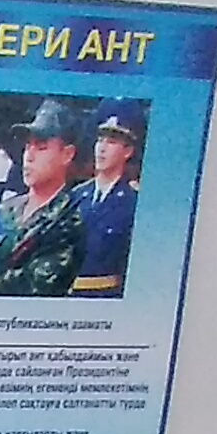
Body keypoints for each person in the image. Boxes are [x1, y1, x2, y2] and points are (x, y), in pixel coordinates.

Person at [0, 99, 88, 298]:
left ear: (67, 154)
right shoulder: (8, 208)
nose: (29, 156)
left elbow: (31, 288)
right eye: (27, 146)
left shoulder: (70, 221)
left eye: (41, 147)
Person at [70, 102, 143, 297]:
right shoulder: (77, 196)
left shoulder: (133, 201)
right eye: (100, 140)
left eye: (111, 142)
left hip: (107, 296)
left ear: (127, 151)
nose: (101, 149)